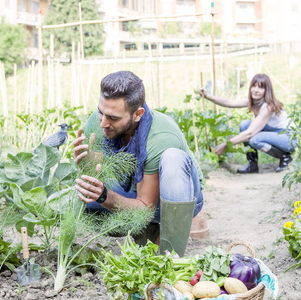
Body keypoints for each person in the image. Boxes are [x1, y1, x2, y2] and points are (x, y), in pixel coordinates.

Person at [73, 70, 204, 256]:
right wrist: (87, 166)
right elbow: (103, 175)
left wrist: (105, 196)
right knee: (78, 197)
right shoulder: (99, 122)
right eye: (101, 112)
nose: (103, 123)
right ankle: (150, 234)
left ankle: (172, 258)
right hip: (135, 191)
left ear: (138, 114)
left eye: (113, 118)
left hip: (174, 197)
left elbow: (145, 209)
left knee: (173, 158)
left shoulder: (161, 137)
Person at [199, 73, 296, 173]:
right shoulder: (254, 102)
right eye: (254, 86)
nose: (256, 90)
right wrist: (207, 96)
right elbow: (229, 102)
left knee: (255, 139)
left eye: (260, 87)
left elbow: (249, 133)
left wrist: (226, 144)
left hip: (289, 137)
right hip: (275, 134)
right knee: (244, 125)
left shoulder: (268, 107)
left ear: (266, 91)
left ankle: (285, 157)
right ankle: (252, 165)